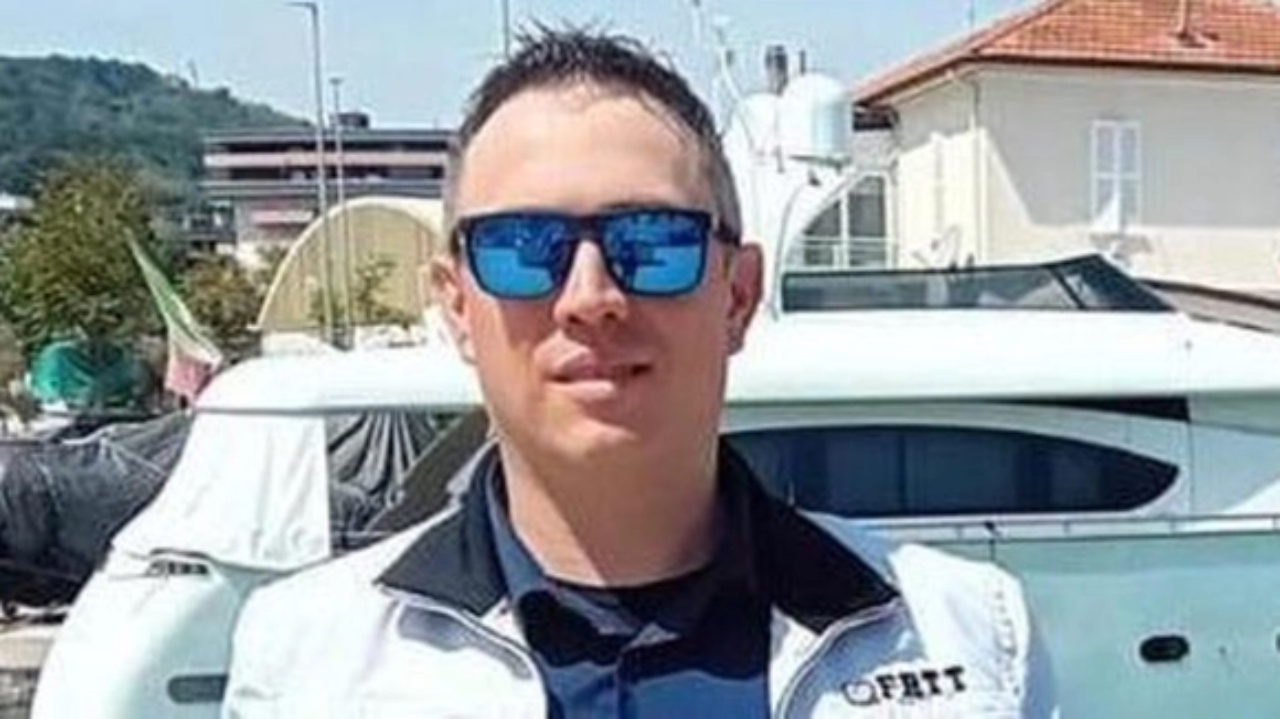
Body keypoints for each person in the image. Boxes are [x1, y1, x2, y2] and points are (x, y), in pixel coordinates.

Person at [222, 28, 1057, 718]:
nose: (590, 297)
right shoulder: (309, 661)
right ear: (456, 304)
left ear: (738, 294)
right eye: (523, 247)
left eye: (651, 242)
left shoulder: (966, 635)